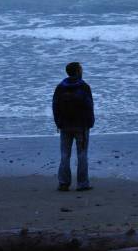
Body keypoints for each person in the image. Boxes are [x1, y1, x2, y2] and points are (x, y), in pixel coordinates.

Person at [52, 62, 95, 192]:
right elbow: (89, 106)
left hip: (65, 125)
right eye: (81, 69)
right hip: (81, 126)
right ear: (77, 71)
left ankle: (64, 183)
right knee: (82, 155)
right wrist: (91, 122)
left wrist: (58, 122)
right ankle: (82, 184)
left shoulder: (60, 87)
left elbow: (55, 106)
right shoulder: (84, 87)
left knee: (65, 155)